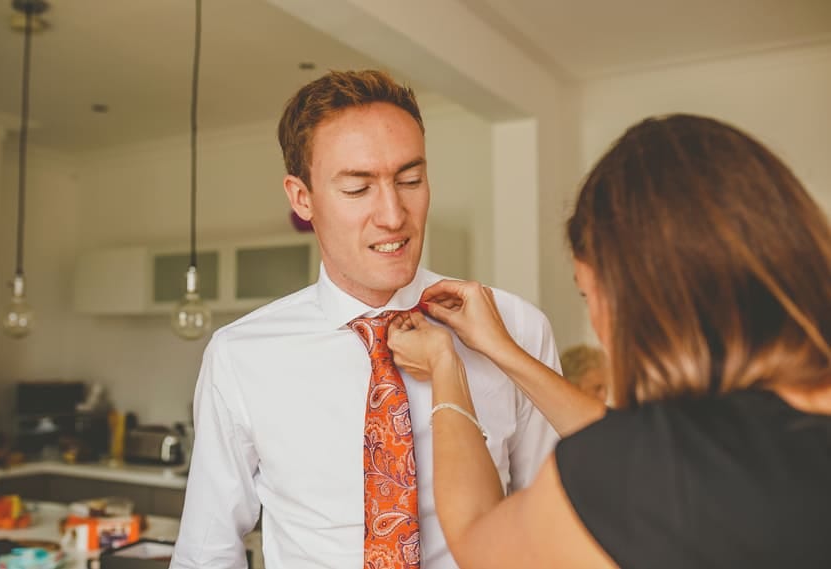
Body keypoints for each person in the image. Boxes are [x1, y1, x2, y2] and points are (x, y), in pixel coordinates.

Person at [170, 70, 584, 569]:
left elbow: (557, 522)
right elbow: (207, 552)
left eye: (410, 180)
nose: (393, 215)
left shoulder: (516, 329)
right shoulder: (240, 357)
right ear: (302, 198)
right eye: (357, 189)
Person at [387, 114, 831, 568]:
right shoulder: (740, 445)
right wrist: (503, 350)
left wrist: (446, 368)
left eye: (587, 293)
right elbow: (652, 451)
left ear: (634, 294)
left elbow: (476, 534)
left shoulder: (650, 477)